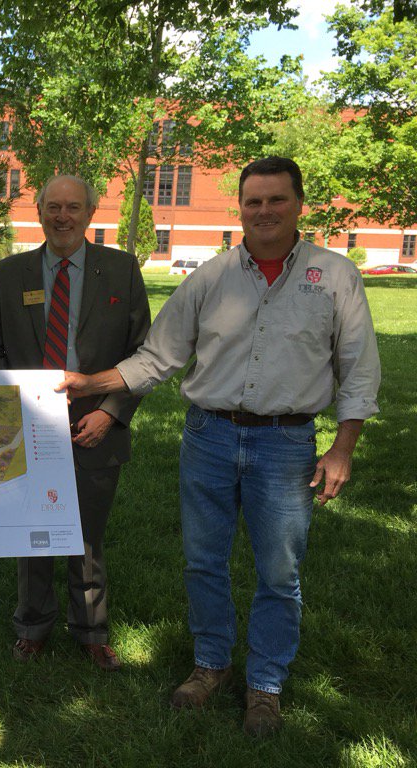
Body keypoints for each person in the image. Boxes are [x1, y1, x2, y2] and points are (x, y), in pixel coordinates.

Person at [58, 157, 381, 735]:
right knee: (204, 562)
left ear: (298, 205)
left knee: (279, 571)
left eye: (276, 200)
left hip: (286, 444)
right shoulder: (209, 277)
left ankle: (266, 683)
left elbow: (359, 370)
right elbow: (158, 356)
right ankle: (211, 664)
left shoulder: (335, 276)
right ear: (240, 207)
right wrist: (91, 383)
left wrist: (342, 448)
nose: (264, 211)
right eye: (253, 201)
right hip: (207, 436)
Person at [0, 174, 151, 669]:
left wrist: (111, 415)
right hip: (27, 424)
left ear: (91, 213)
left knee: (87, 532)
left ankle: (91, 629)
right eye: (53, 206)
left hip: (96, 420)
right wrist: (17, 410)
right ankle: (32, 625)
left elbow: (143, 355)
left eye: (73, 207)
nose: (62, 216)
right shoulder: (7, 274)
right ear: (38, 209)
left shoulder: (121, 270)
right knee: (32, 529)